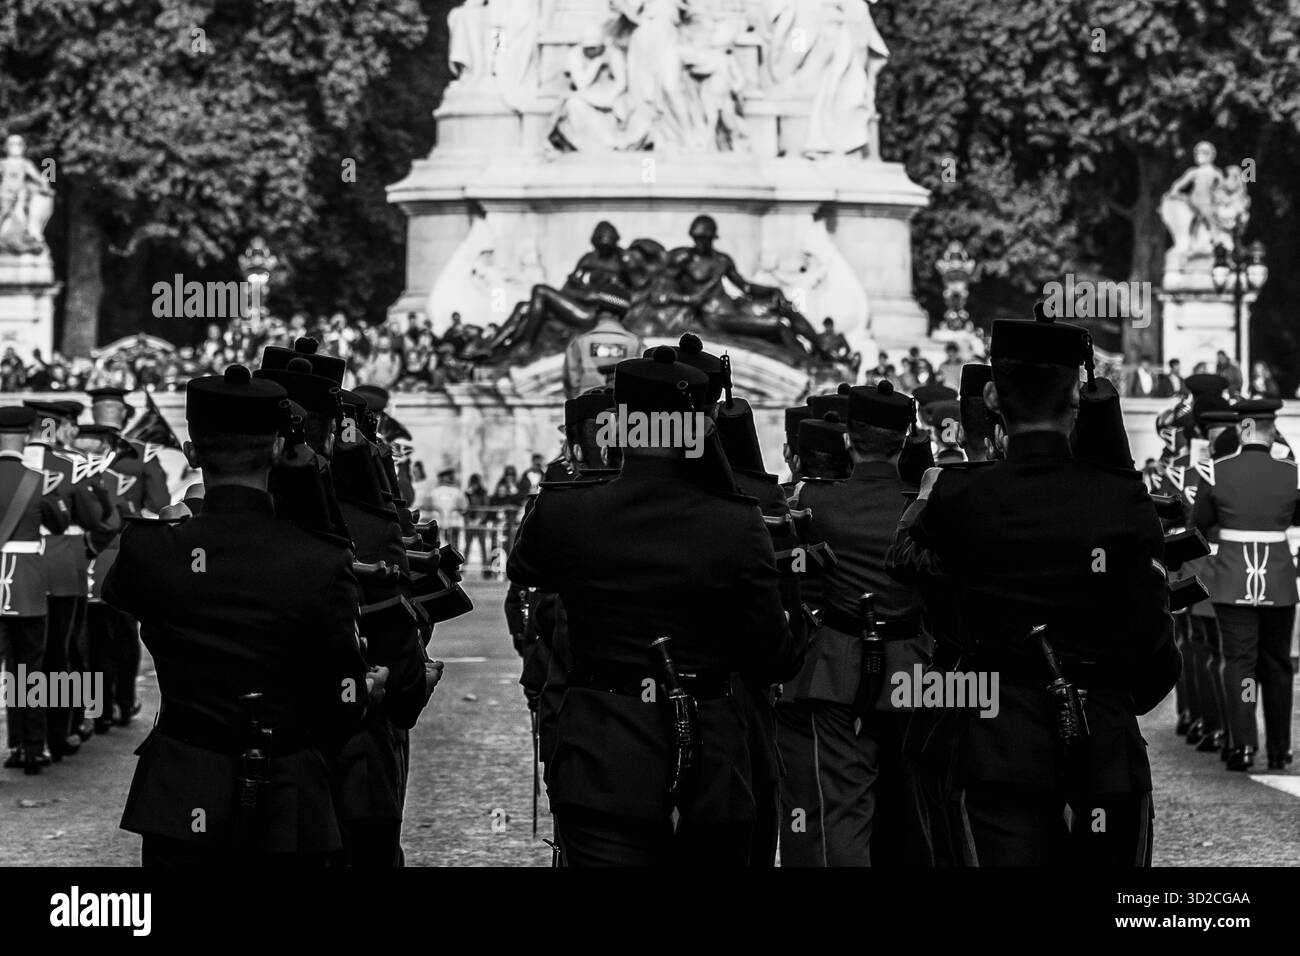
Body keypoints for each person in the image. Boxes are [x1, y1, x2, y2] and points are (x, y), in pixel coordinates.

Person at [898, 312, 1179, 866]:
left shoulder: (958, 496)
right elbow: (1154, 640)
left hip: (998, 740)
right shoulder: (1120, 496)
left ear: (994, 398)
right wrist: (1110, 697)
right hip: (1104, 736)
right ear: (1076, 399)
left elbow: (918, 580)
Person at [508, 346, 798, 866]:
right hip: (712, 753)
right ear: (700, 427)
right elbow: (774, 655)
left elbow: (526, 567)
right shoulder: (736, 521)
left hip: (604, 747)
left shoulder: (568, 510)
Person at [104, 365, 373, 865]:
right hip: (289, 790)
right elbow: (344, 699)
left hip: (182, 784)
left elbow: (122, 592)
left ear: (192, 453)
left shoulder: (150, 549)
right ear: (276, 449)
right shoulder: (319, 558)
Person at [777, 380, 925, 867]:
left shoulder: (817, 500)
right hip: (916, 670)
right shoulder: (919, 503)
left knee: (843, 805)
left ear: (847, 440)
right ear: (903, 442)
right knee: (915, 805)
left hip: (837, 667)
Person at [1192, 398, 1298, 772]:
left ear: (1246, 427)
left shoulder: (1217, 471)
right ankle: (1280, 749)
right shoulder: (1291, 471)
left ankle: (1246, 744)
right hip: (1280, 580)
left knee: (1240, 665)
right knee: (1277, 666)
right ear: (1270, 432)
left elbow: (1200, 521)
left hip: (1234, 578)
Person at [0, 406, 70, 774]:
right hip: (26, 585)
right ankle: (32, 747)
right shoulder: (37, 480)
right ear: (28, 436)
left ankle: (13, 745)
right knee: (30, 672)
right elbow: (59, 524)